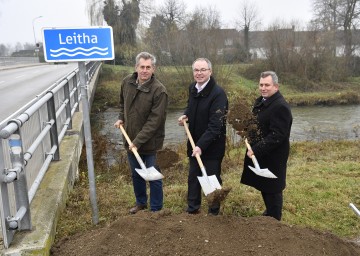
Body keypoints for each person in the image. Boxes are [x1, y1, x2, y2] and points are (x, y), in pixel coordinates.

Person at [114, 52, 168, 214]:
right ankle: (141, 203)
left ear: (153, 69)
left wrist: (137, 141)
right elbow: (122, 103)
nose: (145, 70)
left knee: (153, 176)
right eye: (142, 67)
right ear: (136, 67)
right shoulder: (127, 82)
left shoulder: (159, 91)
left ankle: (156, 209)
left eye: (148, 67)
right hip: (130, 140)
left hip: (151, 143)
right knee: (136, 174)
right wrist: (120, 118)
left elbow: (155, 121)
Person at [178, 58, 228, 216]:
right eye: (196, 70)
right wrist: (185, 115)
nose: (199, 73)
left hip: (212, 147)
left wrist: (201, 146)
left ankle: (213, 212)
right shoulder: (193, 88)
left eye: (202, 70)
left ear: (210, 72)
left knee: (211, 179)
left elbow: (216, 125)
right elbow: (190, 107)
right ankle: (193, 209)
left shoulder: (218, 94)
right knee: (193, 178)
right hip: (194, 144)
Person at [241, 71, 293, 221]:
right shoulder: (261, 101)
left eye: (267, 85)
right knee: (264, 185)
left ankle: (275, 218)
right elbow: (256, 123)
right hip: (263, 153)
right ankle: (269, 213)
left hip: (274, 155)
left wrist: (256, 150)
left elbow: (278, 135)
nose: (263, 88)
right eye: (261, 85)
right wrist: (245, 130)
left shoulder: (280, 106)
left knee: (273, 188)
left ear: (276, 86)